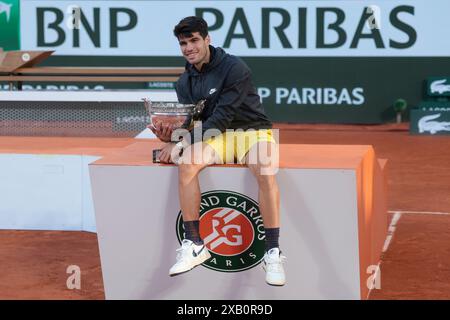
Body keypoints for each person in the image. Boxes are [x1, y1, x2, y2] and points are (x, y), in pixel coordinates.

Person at [149, 16, 286, 286]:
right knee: (187, 163)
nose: (189, 48)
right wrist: (172, 138)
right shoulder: (184, 82)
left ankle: (272, 251)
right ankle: (195, 243)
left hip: (252, 131)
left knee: (265, 168)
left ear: (207, 39)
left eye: (194, 41)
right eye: (183, 43)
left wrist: (180, 141)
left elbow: (220, 119)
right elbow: (194, 121)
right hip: (218, 137)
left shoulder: (234, 68)